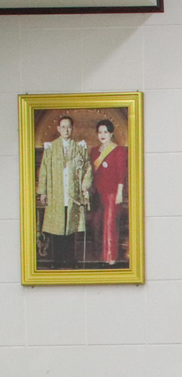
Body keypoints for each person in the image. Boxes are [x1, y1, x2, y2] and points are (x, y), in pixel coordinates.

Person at [35, 114, 91, 267]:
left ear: (72, 129)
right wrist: (43, 192)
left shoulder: (79, 148)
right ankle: (58, 260)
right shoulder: (51, 148)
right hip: (56, 193)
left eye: (69, 127)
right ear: (58, 129)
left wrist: (84, 188)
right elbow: (44, 170)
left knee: (71, 227)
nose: (66, 130)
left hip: (73, 194)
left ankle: (70, 259)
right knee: (57, 227)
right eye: (63, 127)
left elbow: (87, 169)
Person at [90, 118, 127, 265]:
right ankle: (100, 256)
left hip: (112, 193)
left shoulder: (119, 151)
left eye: (105, 132)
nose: (102, 135)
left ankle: (110, 257)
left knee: (110, 225)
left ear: (111, 133)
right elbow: (92, 173)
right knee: (97, 224)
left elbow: (121, 173)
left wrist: (119, 193)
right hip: (97, 193)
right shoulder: (94, 151)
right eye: (100, 132)